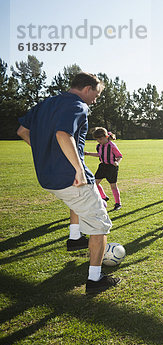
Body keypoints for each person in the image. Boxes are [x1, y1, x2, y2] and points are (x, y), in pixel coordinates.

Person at [16, 72, 119, 294]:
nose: (96, 99)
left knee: (80, 208)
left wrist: (47, 153)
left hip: (47, 178)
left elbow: (23, 131)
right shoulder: (78, 105)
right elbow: (64, 134)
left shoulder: (46, 103)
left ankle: (74, 239)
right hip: (71, 177)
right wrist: (79, 170)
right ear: (87, 88)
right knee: (100, 225)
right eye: (97, 94)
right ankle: (95, 279)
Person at [84, 127, 123, 211]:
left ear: (106, 136)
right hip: (102, 166)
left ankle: (118, 203)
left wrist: (117, 162)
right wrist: (88, 153)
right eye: (97, 140)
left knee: (113, 186)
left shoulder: (112, 145)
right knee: (95, 183)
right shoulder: (99, 146)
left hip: (112, 168)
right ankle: (104, 197)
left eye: (100, 139)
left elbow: (119, 156)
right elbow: (99, 155)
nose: (99, 141)